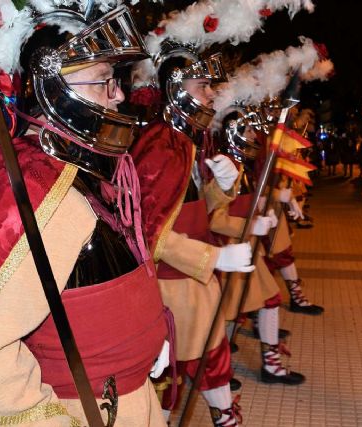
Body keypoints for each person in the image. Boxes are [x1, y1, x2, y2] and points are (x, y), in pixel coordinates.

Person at [0, 5, 170, 426]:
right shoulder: (33, 184)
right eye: (104, 80)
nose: (117, 94)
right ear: (53, 86)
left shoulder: (91, 169)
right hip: (86, 410)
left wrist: (145, 341)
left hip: (132, 392)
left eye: (116, 81)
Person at [130, 48, 252, 426]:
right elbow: (151, 233)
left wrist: (223, 189)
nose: (211, 94)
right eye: (203, 85)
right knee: (166, 381)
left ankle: (224, 415)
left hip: (197, 286)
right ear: (176, 89)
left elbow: (197, 211)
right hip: (169, 290)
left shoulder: (187, 142)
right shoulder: (157, 146)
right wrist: (213, 259)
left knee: (212, 359)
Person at [214, 108, 306, 385]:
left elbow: (253, 198)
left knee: (261, 302)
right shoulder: (222, 166)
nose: (255, 135)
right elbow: (213, 219)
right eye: (248, 130)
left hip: (246, 248)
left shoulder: (242, 165)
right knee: (225, 313)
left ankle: (264, 364)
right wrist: (250, 226)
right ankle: (215, 371)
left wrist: (276, 201)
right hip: (228, 251)